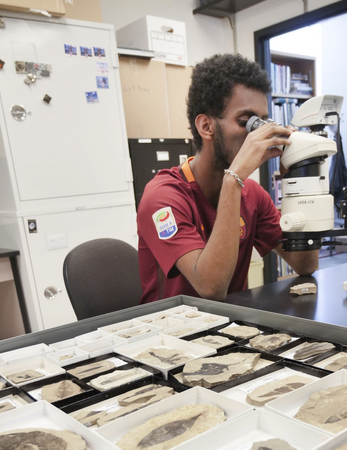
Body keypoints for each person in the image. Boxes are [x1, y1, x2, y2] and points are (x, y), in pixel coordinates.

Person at [136, 53, 319, 303]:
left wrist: (296, 180)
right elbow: (211, 288)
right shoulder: (163, 197)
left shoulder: (252, 195)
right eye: (247, 122)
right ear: (206, 127)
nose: (259, 134)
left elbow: (304, 264)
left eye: (263, 122)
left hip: (231, 328)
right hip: (172, 334)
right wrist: (232, 180)